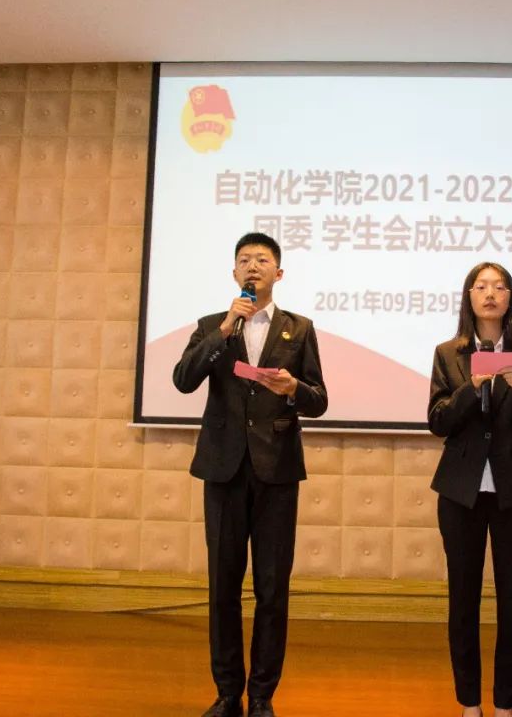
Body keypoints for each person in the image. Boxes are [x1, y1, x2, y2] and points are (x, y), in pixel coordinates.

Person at [173, 233, 328, 717]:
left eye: (262, 259)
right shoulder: (212, 326)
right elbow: (183, 380)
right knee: (223, 586)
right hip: (223, 469)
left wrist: (293, 387)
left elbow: (319, 400)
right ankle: (227, 693)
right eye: (244, 260)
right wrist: (223, 330)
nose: (253, 266)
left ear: (278, 274)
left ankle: (262, 696)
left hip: (276, 471)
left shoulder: (299, 329)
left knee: (271, 589)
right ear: (234, 274)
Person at [427, 262, 512, 717]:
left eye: (499, 287)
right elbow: (437, 421)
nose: (490, 293)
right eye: (481, 286)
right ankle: (469, 703)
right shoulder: (448, 353)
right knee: (462, 601)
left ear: (510, 297)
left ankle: (505, 705)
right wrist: (471, 387)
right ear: (469, 297)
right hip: (460, 492)